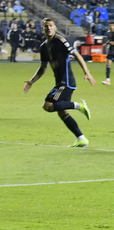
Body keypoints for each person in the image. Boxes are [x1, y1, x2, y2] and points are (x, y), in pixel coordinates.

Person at [23, 18, 95, 147]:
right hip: (61, 82)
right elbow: (43, 67)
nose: (49, 28)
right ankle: (81, 138)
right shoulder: (44, 47)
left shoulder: (60, 40)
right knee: (62, 111)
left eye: (51, 26)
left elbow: (77, 55)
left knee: (47, 105)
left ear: (55, 27)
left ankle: (78, 106)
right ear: (43, 28)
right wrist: (32, 81)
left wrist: (87, 72)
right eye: (46, 26)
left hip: (66, 81)